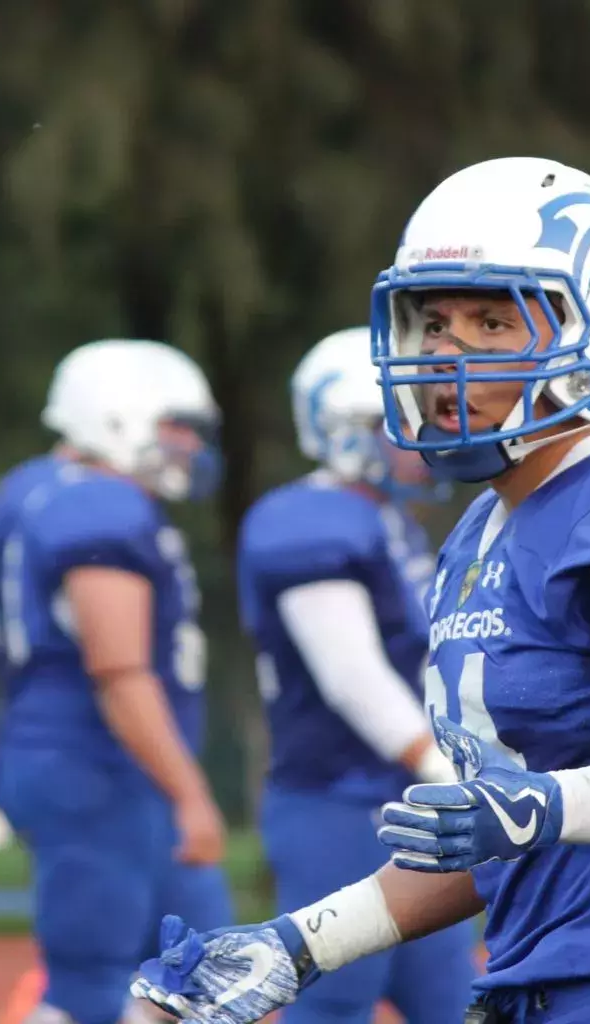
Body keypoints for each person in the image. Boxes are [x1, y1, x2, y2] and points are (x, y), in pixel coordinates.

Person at [133, 156, 590, 1023]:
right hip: (533, 989)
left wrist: (534, 809)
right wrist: (300, 945)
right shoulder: (480, 533)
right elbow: (500, 839)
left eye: (492, 320)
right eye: (433, 322)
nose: (448, 353)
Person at [0, 338, 229, 1024]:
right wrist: (190, 791)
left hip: (69, 754)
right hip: (96, 762)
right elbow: (118, 670)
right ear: (115, 416)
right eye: (174, 427)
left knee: (203, 974)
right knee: (91, 984)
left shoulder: (34, 487)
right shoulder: (100, 505)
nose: (186, 447)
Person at [233, 326, 475, 1024]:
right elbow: (352, 676)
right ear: (349, 430)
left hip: (406, 802)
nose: (424, 434)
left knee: (453, 1003)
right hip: (337, 803)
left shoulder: (388, 522)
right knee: (333, 1004)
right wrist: (446, 770)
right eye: (402, 420)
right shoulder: (312, 519)